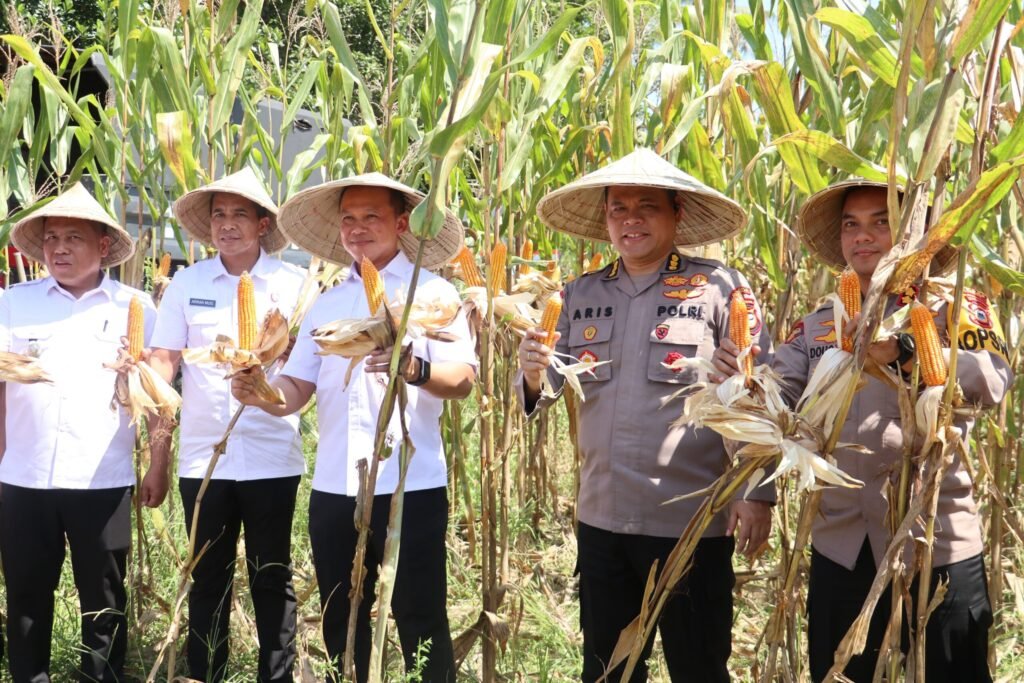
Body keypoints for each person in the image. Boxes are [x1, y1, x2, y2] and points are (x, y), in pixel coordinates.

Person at [714, 180, 1012, 682]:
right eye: (851, 224)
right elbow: (777, 409)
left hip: (936, 539)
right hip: (844, 545)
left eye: (881, 222)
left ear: (914, 234)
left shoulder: (956, 305)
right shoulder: (818, 325)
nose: (863, 235)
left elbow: (993, 380)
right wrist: (741, 385)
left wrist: (906, 352)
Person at [515, 148, 774, 682]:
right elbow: (547, 389)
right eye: (619, 208)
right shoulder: (579, 294)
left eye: (647, 207)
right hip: (603, 517)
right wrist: (533, 371)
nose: (630, 219)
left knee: (699, 669)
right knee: (608, 668)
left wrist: (756, 492)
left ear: (677, 213)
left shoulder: (721, 290)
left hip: (691, 522)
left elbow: (762, 396)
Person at [231, 173, 476, 682]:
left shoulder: (433, 293)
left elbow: (463, 380)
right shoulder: (327, 303)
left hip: (410, 484)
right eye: (348, 219)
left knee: (420, 616)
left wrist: (414, 369)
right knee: (341, 619)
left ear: (402, 223)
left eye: (371, 217)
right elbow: (297, 389)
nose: (357, 229)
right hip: (336, 485)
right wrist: (261, 394)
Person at [0, 181, 166, 681]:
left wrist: (158, 464)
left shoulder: (135, 308)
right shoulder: (14, 303)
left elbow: (157, 393)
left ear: (103, 245)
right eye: (52, 238)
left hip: (102, 478)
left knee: (104, 600)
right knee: (26, 596)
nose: (60, 249)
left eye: (74, 238)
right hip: (24, 477)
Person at [148, 168, 307, 682]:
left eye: (240, 214)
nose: (227, 224)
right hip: (203, 458)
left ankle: (275, 676)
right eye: (219, 215)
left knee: (271, 576)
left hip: (271, 456)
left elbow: (309, 369)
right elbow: (164, 361)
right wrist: (142, 386)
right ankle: (204, 675)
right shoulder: (187, 284)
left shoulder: (294, 286)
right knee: (207, 579)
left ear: (263, 225)